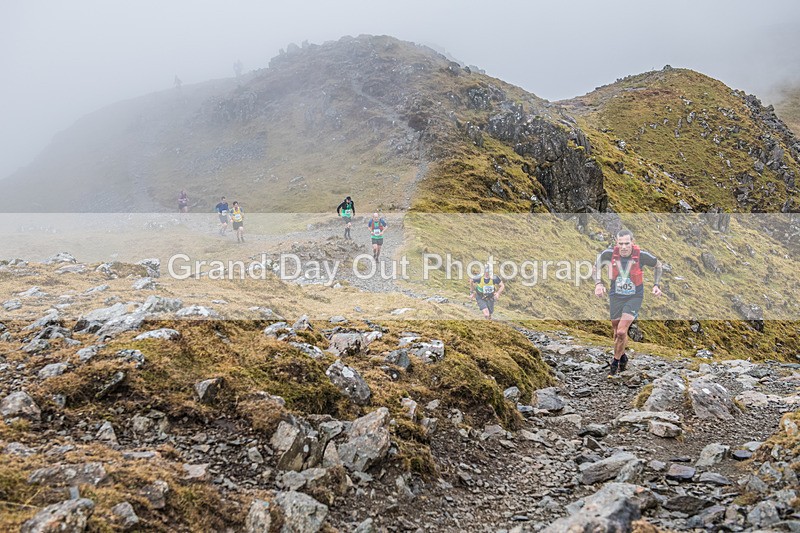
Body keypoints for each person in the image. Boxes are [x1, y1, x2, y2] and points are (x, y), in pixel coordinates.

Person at [594, 229, 663, 378]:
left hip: (634, 297)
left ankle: (615, 364)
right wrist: (598, 284)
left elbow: (658, 265)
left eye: (627, 243)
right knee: (616, 331)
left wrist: (656, 285)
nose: (624, 247)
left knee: (621, 331)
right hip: (616, 296)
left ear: (632, 242)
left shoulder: (642, 256)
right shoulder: (609, 254)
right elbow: (596, 267)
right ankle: (623, 356)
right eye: (621, 244)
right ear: (616, 243)